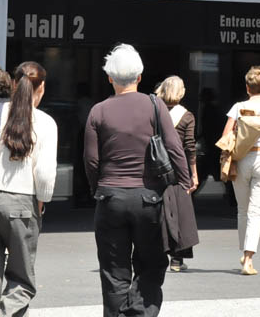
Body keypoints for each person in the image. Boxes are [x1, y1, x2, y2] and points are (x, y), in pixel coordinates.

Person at [84, 44, 190, 317]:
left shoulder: (98, 111)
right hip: (149, 198)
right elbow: (174, 147)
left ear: (110, 78)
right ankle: (140, 312)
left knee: (113, 270)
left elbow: (92, 161)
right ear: (140, 77)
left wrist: (98, 189)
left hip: (110, 197)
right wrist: (184, 183)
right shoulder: (155, 106)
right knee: (152, 264)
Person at [0, 61, 57, 317]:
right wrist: (42, 200)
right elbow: (45, 174)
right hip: (24, 204)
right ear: (42, 88)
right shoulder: (46, 122)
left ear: (14, 84)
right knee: (21, 280)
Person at [221, 66, 260, 276]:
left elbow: (226, 136)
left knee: (243, 209)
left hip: (241, 159)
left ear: (247, 87)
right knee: (257, 210)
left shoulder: (238, 107)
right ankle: (248, 259)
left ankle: (244, 252)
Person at [154, 76, 200, 272]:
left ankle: (156, 254)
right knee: (180, 211)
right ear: (181, 92)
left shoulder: (154, 112)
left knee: (157, 210)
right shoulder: (187, 116)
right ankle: (176, 259)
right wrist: (193, 173)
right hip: (178, 167)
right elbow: (190, 147)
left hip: (155, 165)